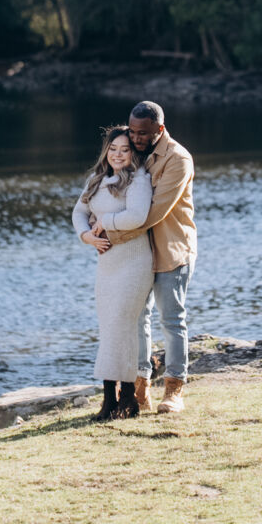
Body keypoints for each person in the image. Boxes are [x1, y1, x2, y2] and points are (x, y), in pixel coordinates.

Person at [81, 100, 196, 414]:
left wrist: (109, 231)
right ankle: (140, 387)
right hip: (138, 253)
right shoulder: (135, 152)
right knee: (136, 320)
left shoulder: (178, 159)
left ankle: (174, 389)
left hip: (171, 248)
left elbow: (152, 213)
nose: (135, 138)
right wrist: (90, 227)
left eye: (142, 133)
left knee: (172, 319)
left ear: (160, 129)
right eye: (132, 131)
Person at [72, 127, 154, 419]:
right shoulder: (97, 179)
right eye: (113, 148)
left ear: (134, 153)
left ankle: (128, 398)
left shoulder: (139, 180)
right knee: (109, 328)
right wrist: (87, 236)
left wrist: (106, 220)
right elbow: (78, 213)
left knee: (123, 325)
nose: (118, 155)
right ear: (106, 150)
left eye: (125, 149)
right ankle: (110, 399)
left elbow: (137, 216)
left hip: (135, 263)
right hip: (107, 265)